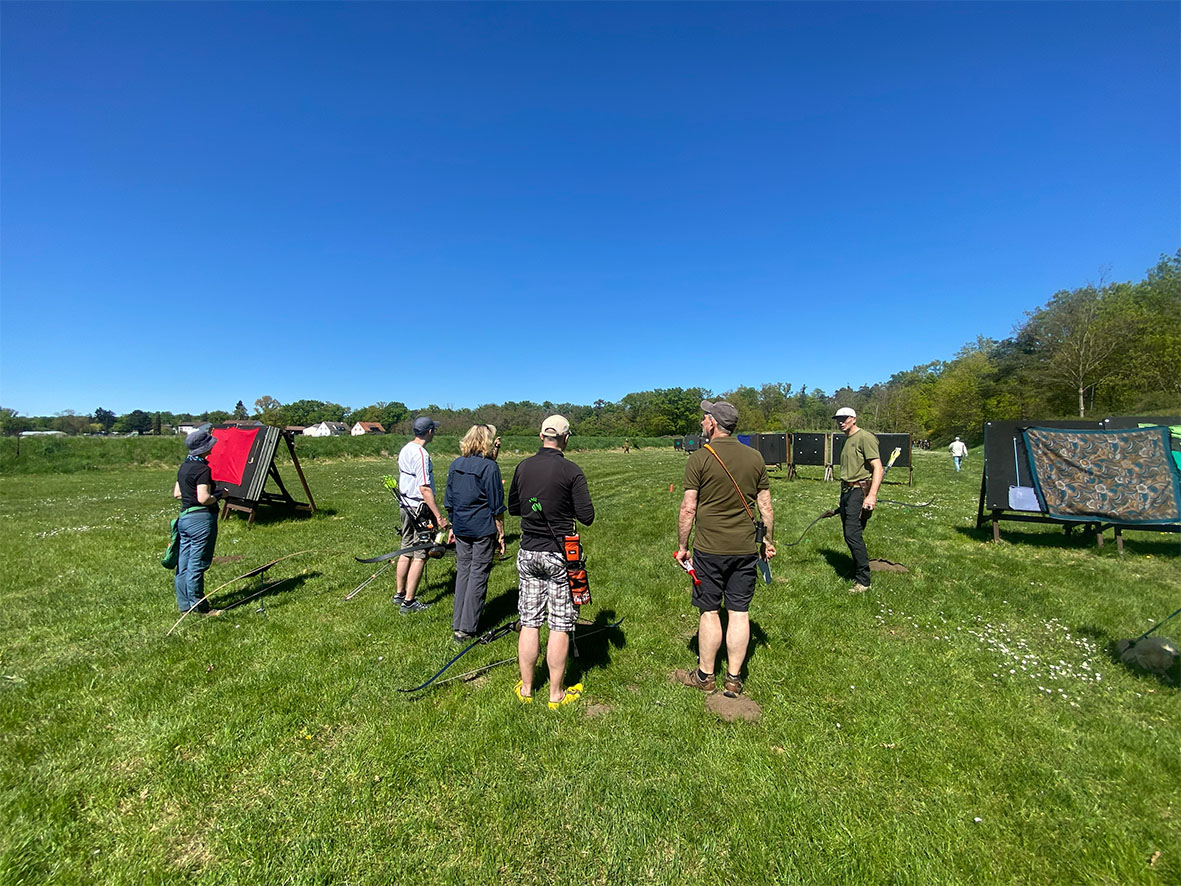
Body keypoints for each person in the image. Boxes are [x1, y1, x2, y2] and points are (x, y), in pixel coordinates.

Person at [674, 400, 775, 698]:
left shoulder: (700, 458)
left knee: (709, 611)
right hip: (744, 549)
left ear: (713, 423)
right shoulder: (755, 457)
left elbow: (688, 508)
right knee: (739, 612)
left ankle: (705, 676)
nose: (702, 422)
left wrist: (682, 546)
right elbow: (766, 507)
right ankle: (733, 679)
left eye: (705, 417)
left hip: (709, 549)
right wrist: (768, 541)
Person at [507, 414, 595, 708]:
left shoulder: (523, 466)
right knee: (559, 624)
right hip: (560, 555)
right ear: (566, 439)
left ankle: (526, 689)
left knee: (529, 622)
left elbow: (514, 508)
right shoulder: (571, 470)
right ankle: (555, 694)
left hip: (529, 552)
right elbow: (587, 516)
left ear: (541, 437)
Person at [444, 424, 506, 642]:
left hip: (461, 525)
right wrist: (501, 533)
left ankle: (458, 622)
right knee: (478, 573)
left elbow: (449, 500)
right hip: (481, 528)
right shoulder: (489, 467)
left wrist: (452, 525)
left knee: (464, 572)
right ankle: (467, 628)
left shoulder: (456, 464)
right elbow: (496, 504)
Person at [171, 427, 228, 615]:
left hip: (184, 518)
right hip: (201, 520)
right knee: (197, 564)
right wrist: (219, 494)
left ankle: (185, 606)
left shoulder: (184, 466)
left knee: (183, 565)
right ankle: (200, 607)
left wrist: (192, 496)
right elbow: (203, 498)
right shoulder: (202, 469)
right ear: (204, 448)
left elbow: (177, 493)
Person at [395, 416, 448, 614]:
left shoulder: (406, 449)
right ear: (429, 432)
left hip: (405, 506)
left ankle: (399, 593)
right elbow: (424, 489)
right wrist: (438, 516)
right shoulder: (421, 454)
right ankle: (409, 602)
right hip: (419, 509)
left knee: (405, 549)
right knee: (421, 553)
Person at [834, 407, 883, 594]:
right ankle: (857, 568)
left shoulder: (865, 437)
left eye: (844, 418)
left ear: (853, 419)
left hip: (859, 491)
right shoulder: (847, 439)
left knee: (852, 534)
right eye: (838, 419)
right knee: (851, 533)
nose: (840, 422)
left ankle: (864, 581)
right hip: (847, 491)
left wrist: (871, 495)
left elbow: (878, 467)